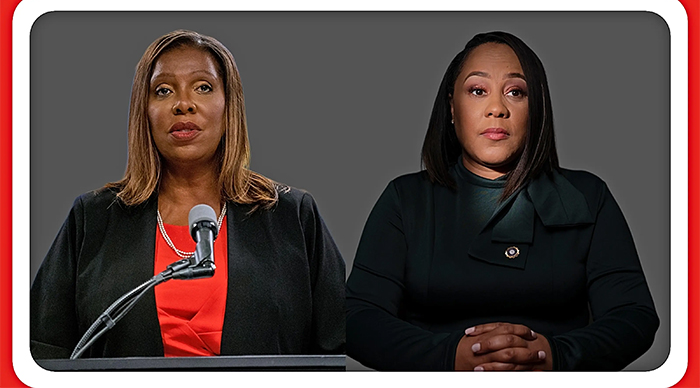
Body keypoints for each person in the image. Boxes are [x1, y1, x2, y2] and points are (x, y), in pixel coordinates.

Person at [345, 31, 659, 371]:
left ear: (536, 108)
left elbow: (634, 317)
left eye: (515, 92)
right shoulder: (405, 199)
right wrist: (451, 356)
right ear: (452, 107)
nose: (497, 109)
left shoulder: (588, 195)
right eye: (478, 91)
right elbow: (356, 318)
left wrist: (554, 355)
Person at [31, 30, 345, 359]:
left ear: (229, 105)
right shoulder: (92, 218)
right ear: (145, 111)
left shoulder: (291, 215)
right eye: (163, 90)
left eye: (203, 87)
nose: (183, 104)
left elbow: (341, 350)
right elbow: (43, 350)